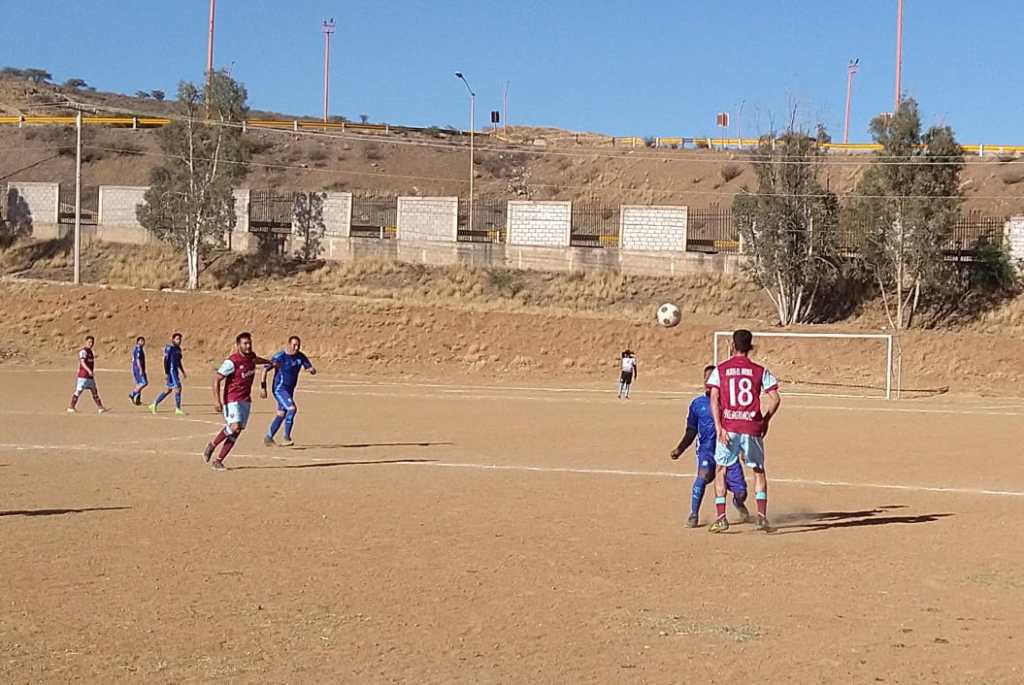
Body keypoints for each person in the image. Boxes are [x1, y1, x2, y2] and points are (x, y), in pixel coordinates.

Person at [707, 329, 781, 533]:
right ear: (750, 347)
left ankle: (721, 518)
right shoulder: (760, 370)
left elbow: (714, 398)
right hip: (752, 427)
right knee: (758, 470)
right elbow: (775, 399)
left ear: (732, 345)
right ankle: (762, 517)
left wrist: (719, 427)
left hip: (729, 428)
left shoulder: (720, 370)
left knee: (720, 470)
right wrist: (765, 421)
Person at [670, 364, 750, 528]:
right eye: (705, 378)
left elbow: (739, 428)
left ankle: (738, 503)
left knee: (741, 492)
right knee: (703, 476)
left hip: (729, 452)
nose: (707, 382)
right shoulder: (697, 404)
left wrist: (743, 449)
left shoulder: (729, 403)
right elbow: (691, 430)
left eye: (711, 378)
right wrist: (680, 448)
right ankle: (694, 514)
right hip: (706, 452)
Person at [203, 332, 272, 471]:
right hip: (232, 399)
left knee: (237, 431)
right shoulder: (232, 361)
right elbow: (216, 379)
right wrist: (217, 401)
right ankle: (212, 444)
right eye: (245, 343)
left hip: (245, 399)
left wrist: (269, 362)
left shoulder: (251, 357)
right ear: (238, 345)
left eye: (249, 343)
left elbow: (256, 359)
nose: (248, 346)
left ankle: (218, 461)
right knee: (234, 426)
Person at [261, 335, 317, 447]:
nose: (296, 347)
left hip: (290, 390)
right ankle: (286, 437)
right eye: (294, 345)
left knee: (281, 414)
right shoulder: (280, 357)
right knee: (292, 409)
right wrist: (263, 387)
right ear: (288, 344)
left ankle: (269, 437)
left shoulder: (300, 357)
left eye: (298, 345)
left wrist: (311, 370)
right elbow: (265, 369)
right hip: (279, 389)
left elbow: (308, 367)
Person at [68, 335, 107, 414]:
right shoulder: (83, 352)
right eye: (89, 342)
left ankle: (100, 408)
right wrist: (89, 370)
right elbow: (82, 362)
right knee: (78, 391)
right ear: (86, 342)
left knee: (94, 391)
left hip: (90, 376)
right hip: (83, 376)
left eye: (92, 342)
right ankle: (71, 407)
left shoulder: (90, 352)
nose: (91, 344)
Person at [149, 333, 186, 415]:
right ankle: (178, 409)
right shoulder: (169, 348)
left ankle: (154, 404)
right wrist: (166, 372)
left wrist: (182, 371)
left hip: (175, 372)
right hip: (171, 372)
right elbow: (165, 360)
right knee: (178, 388)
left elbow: (179, 362)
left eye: (180, 339)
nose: (179, 341)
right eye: (177, 339)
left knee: (168, 390)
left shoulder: (178, 349)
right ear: (173, 340)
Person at [129, 336, 148, 406]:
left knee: (139, 384)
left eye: (143, 341)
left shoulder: (138, 348)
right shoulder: (138, 349)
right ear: (137, 342)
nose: (142, 342)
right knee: (144, 383)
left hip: (136, 369)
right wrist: (140, 370)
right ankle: (132, 395)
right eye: (141, 341)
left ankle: (138, 400)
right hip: (138, 369)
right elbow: (137, 360)